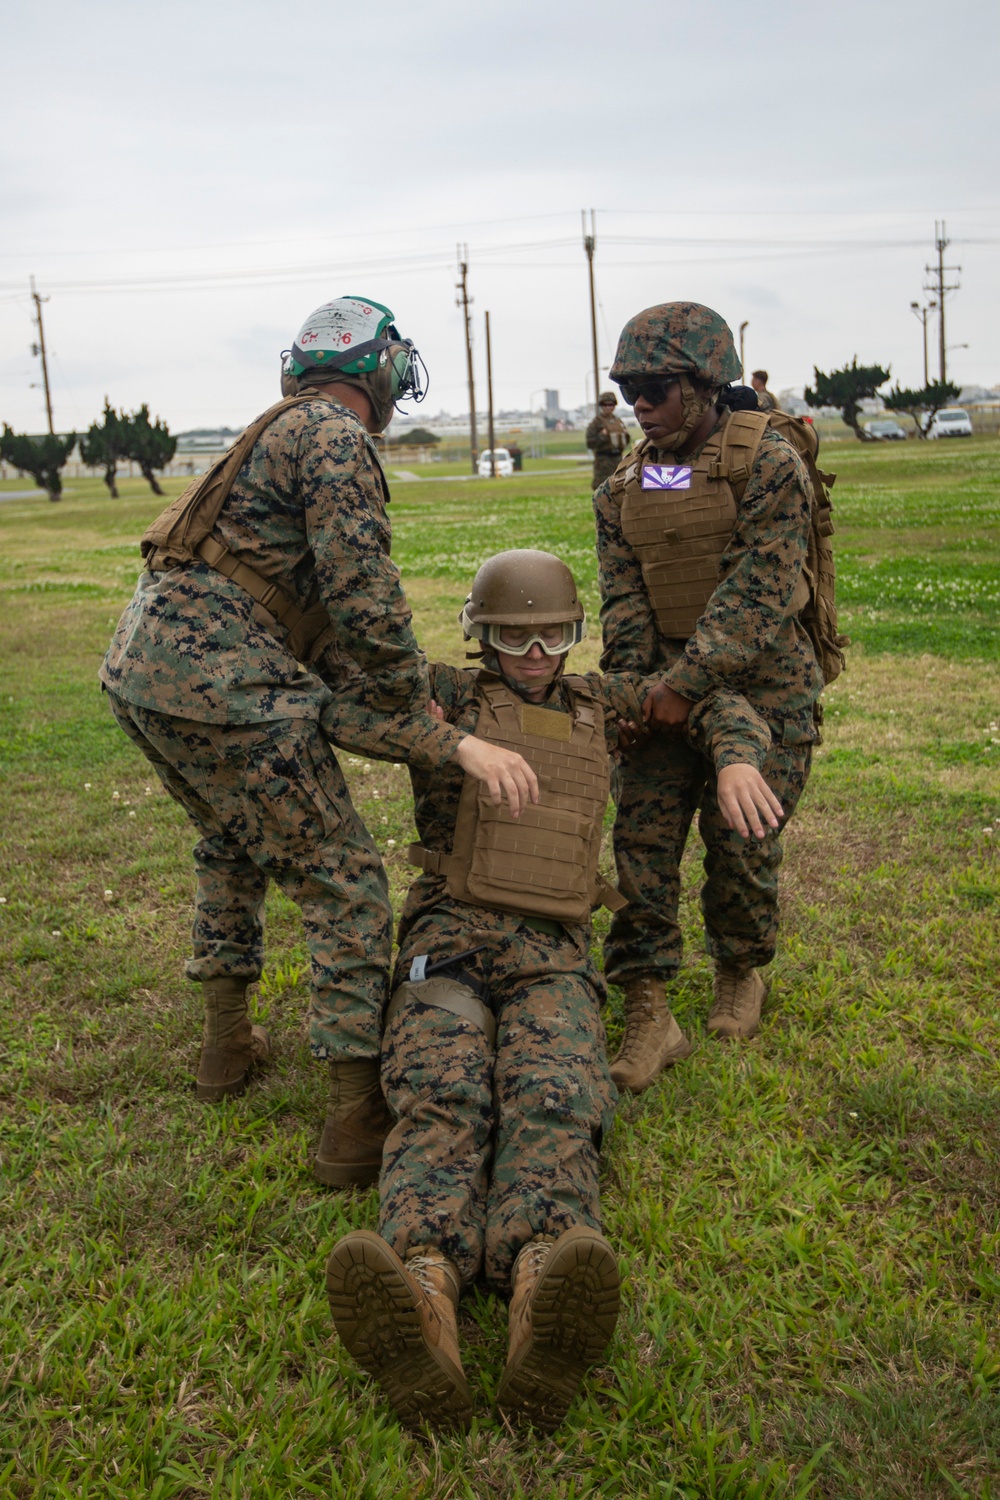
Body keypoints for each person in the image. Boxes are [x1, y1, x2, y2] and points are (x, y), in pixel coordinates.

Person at [324, 549, 780, 1431]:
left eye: (552, 637)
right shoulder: (447, 694)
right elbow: (344, 703)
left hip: (554, 953)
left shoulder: (602, 705)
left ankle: (543, 1283)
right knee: (440, 1088)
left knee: (558, 1087)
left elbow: (714, 703)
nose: (535, 656)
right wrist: (452, 742)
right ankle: (425, 1291)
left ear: (575, 636)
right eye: (512, 638)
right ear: (482, 636)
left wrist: (733, 760)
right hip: (447, 938)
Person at [100, 296, 536, 1189]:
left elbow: (306, 620)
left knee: (233, 838)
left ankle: (226, 1047)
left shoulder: (269, 432)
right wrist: (422, 711)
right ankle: (352, 1117)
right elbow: (363, 604)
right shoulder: (337, 437)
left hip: (145, 674)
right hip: (226, 683)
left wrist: (413, 711)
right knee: (343, 879)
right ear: (381, 374)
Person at [593, 302, 822, 1091]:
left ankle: (740, 968)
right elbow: (623, 599)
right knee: (642, 846)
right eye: (627, 391)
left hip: (764, 690)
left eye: (654, 388)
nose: (639, 407)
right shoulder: (631, 479)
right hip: (660, 691)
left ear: (703, 383)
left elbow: (760, 593)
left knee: (740, 844)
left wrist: (684, 687)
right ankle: (651, 1009)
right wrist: (635, 698)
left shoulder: (767, 465)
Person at [585, 392, 630, 490]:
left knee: (619, 487)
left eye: (611, 405)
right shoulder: (596, 423)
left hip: (618, 459)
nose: (608, 407)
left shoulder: (618, 422)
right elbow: (590, 443)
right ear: (601, 406)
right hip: (603, 461)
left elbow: (626, 440)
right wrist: (602, 436)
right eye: (605, 405)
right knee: (603, 489)